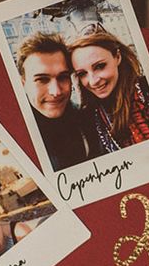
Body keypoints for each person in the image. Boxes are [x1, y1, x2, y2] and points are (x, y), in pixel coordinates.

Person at [17, 33, 101, 171]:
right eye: (42, 79)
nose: (56, 92)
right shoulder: (18, 136)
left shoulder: (86, 121)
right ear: (23, 84)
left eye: (63, 77)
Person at [69, 30, 149, 152]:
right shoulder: (88, 119)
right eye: (82, 74)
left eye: (99, 66)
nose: (93, 81)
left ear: (117, 57)